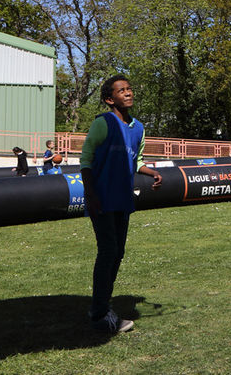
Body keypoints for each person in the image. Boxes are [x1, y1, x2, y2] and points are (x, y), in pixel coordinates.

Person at [80, 75, 163, 334]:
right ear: (109, 99)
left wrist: (151, 173)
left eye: (129, 88)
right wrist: (91, 196)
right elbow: (86, 160)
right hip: (102, 200)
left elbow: (136, 160)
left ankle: (103, 306)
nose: (128, 93)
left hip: (122, 200)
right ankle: (100, 313)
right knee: (108, 252)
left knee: (117, 253)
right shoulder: (103, 123)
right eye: (121, 90)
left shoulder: (138, 128)